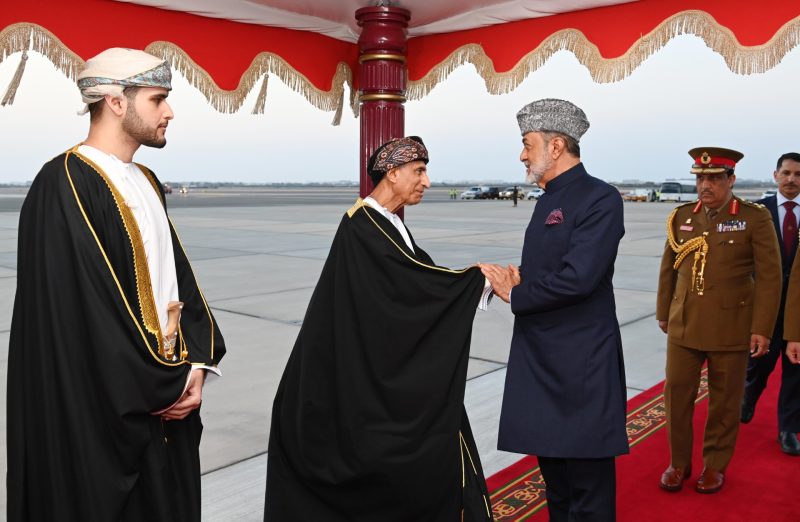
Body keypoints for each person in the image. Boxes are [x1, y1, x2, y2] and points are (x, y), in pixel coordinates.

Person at [6, 48, 226, 522]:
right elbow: (87, 315)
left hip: (168, 396)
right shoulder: (63, 182)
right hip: (107, 415)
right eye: (158, 99)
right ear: (116, 102)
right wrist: (164, 381)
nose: (169, 112)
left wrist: (198, 364)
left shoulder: (146, 179)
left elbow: (179, 279)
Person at [264, 136, 494, 521]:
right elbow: (411, 291)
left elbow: (416, 283)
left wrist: (472, 283)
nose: (427, 181)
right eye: (419, 171)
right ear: (393, 172)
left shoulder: (387, 223)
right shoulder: (364, 226)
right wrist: (478, 280)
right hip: (348, 388)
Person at [481, 99, 628, 521]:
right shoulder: (547, 198)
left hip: (580, 362)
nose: (523, 155)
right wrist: (514, 279)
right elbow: (551, 267)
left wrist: (518, 294)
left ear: (557, 145)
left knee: (588, 484)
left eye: (527, 144)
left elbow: (580, 276)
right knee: (556, 480)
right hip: (542, 357)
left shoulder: (600, 198)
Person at [656, 147, 781, 494]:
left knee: (725, 401)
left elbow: (770, 278)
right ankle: (678, 463)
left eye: (713, 178)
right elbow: (670, 268)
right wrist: (664, 311)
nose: (705, 185)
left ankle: (715, 465)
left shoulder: (753, 218)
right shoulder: (682, 216)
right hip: (683, 326)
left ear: (731, 180)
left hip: (732, 326)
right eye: (700, 178)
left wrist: (761, 328)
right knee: (676, 396)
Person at [741, 152, 800, 455]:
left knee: (796, 369)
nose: (792, 179)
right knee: (760, 363)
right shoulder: (756, 211)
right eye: (787, 173)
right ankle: (748, 398)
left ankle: (788, 429)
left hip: (798, 308)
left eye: (798, 174)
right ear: (775, 175)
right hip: (766, 303)